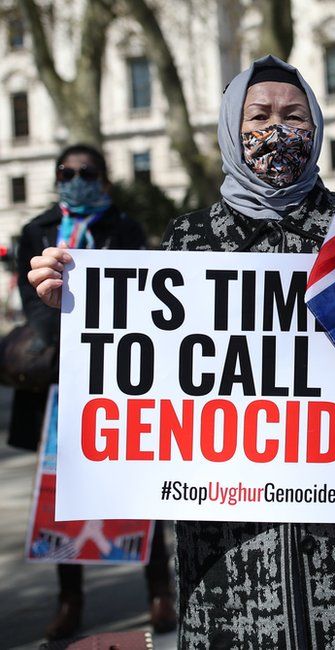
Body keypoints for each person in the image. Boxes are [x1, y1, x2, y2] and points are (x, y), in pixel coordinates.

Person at [31, 56, 335, 649]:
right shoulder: (191, 240)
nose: (277, 130)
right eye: (259, 117)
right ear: (233, 131)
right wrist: (76, 302)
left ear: (317, 129)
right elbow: (147, 364)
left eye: (294, 116)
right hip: (230, 560)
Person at [14, 144, 177, 640]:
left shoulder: (123, 229)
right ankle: (70, 601)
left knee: (136, 488)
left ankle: (158, 593)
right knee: (62, 498)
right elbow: (33, 305)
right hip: (59, 382)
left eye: (87, 172)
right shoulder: (35, 231)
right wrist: (71, 336)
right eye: (68, 172)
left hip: (113, 378)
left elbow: (135, 293)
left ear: (105, 179)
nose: (77, 179)